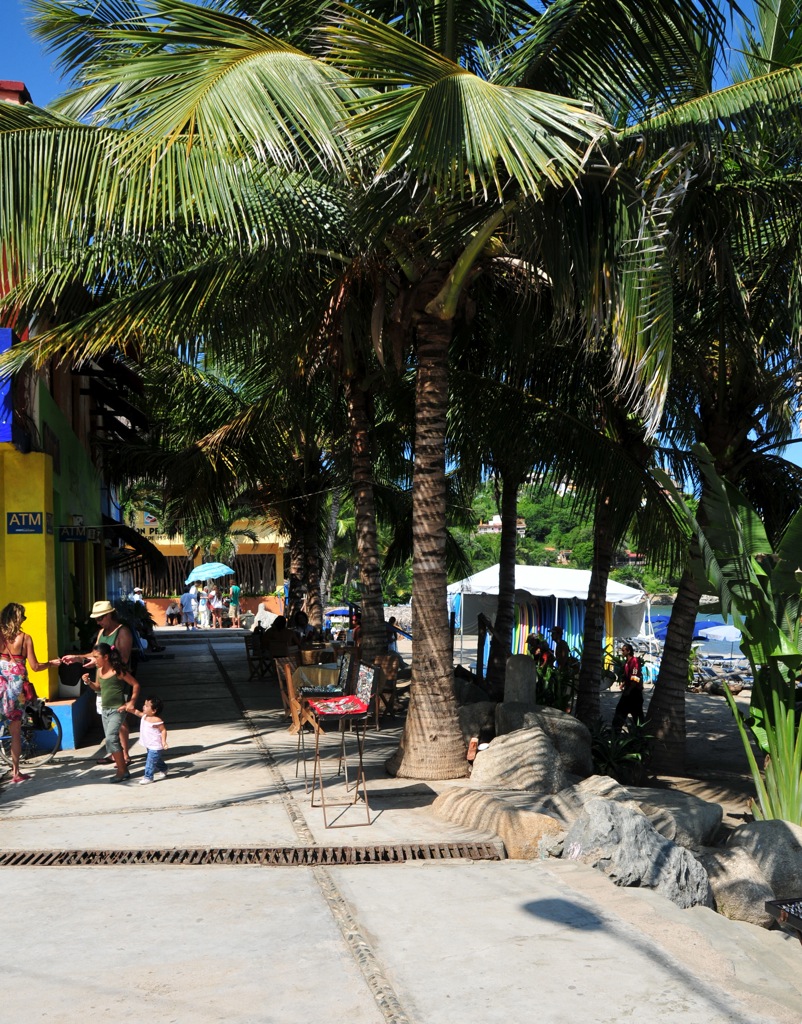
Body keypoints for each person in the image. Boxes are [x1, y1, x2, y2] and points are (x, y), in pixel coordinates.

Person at [62, 600, 136, 765]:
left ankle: (124, 755)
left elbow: (123, 660)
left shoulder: (122, 632)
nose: (98, 622)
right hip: (102, 683)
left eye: (100, 618)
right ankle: (115, 753)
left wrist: (99, 661)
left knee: (120, 720)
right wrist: (79, 658)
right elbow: (94, 653)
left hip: (117, 684)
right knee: (107, 718)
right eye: (96, 619)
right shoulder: (102, 632)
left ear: (109, 615)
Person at [0, 603, 61, 784]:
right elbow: (35, 666)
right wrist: (51, 663)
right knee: (15, 732)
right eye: (23, 617)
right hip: (16, 690)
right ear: (18, 618)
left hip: (1, 684)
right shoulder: (25, 638)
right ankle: (16, 773)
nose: (24, 620)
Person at [81, 642, 140, 782]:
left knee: (111, 738)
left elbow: (135, 684)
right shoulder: (99, 671)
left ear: (106, 657)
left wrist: (131, 702)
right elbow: (98, 688)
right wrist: (88, 682)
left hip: (117, 710)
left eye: (96, 656)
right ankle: (123, 768)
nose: (94, 659)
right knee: (111, 740)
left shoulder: (117, 671)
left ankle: (122, 770)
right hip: (105, 710)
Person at [125, 695, 168, 785]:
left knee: (150, 762)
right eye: (144, 705)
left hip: (155, 746)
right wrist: (127, 708)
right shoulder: (144, 716)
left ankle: (148, 777)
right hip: (149, 744)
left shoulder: (156, 720)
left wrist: (164, 742)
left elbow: (163, 730)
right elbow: (136, 712)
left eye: (147, 706)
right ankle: (164, 768)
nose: (144, 706)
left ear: (154, 710)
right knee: (156, 760)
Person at [613, 642, 644, 733]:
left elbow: (635, 678)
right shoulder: (627, 662)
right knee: (623, 711)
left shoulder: (634, 661)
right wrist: (623, 684)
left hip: (634, 692)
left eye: (623, 650)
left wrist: (629, 690)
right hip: (629, 690)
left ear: (628, 651)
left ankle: (639, 732)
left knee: (635, 713)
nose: (622, 652)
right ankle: (617, 730)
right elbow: (628, 677)